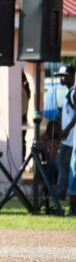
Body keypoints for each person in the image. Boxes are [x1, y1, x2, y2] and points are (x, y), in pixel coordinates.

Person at [55, 65, 75, 202]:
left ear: (72, 76)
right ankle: (62, 194)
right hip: (68, 139)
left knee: (64, 167)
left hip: (70, 139)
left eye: (64, 76)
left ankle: (61, 194)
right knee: (64, 166)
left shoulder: (74, 93)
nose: (61, 79)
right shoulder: (69, 93)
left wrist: (67, 130)